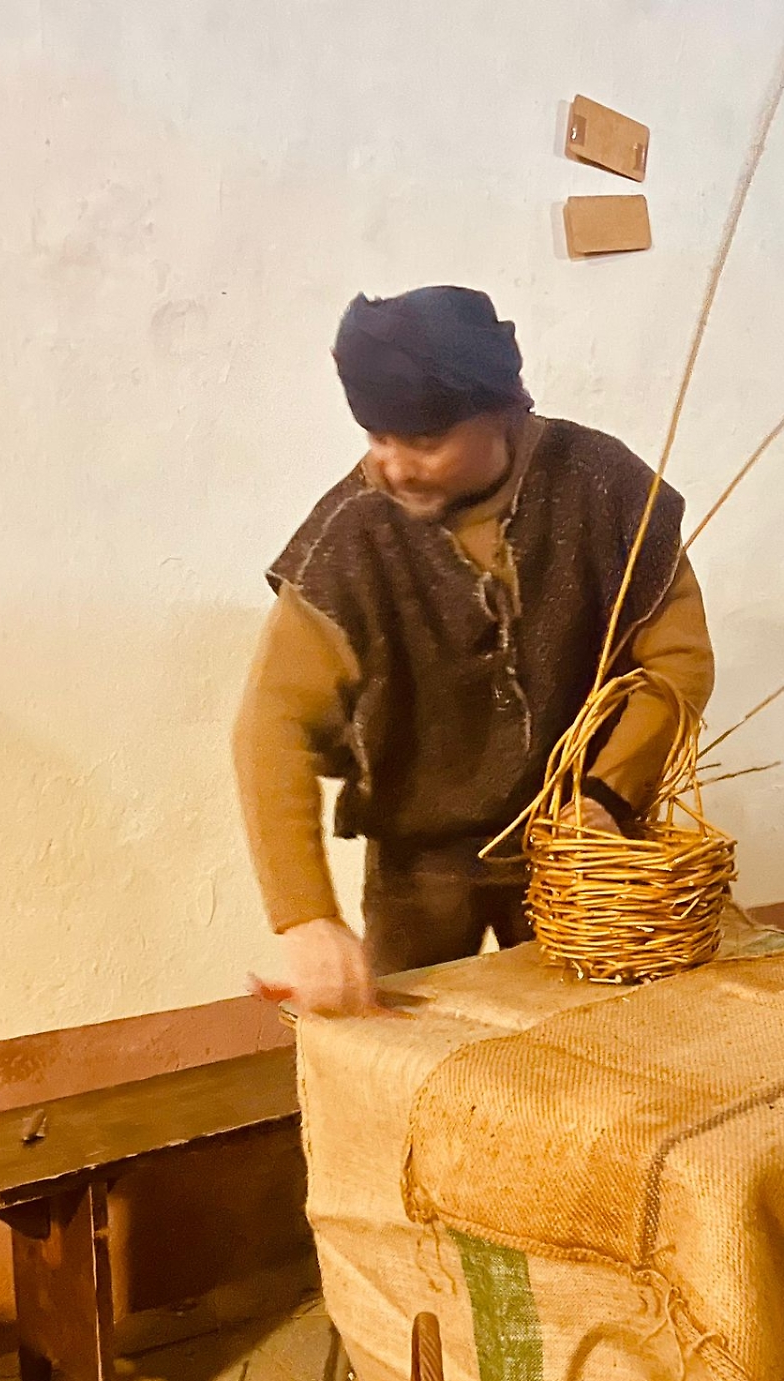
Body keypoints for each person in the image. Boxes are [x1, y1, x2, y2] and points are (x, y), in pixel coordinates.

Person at [233, 285, 715, 1014]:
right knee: (405, 1057)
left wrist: (607, 794)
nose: (394, 465)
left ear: (502, 411)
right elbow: (272, 725)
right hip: (420, 870)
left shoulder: (605, 487)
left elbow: (676, 661)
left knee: (597, 1038)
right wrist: (306, 918)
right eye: (377, 438)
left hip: (579, 854)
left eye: (424, 442)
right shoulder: (350, 535)